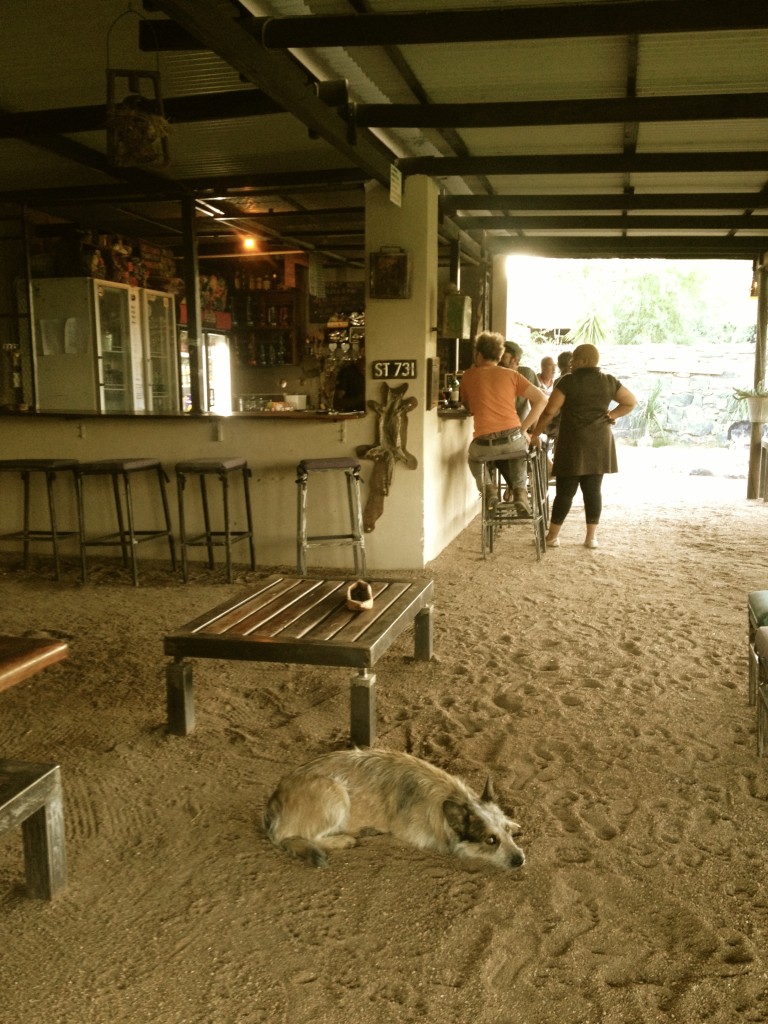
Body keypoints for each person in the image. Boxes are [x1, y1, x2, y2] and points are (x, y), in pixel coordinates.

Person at [532, 343, 637, 549]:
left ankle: (552, 537)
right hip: (599, 442)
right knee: (593, 490)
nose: (570, 363)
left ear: (583, 361)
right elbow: (630, 401)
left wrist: (535, 433)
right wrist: (611, 415)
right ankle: (591, 538)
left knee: (565, 491)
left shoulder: (567, 382)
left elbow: (549, 411)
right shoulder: (608, 381)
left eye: (574, 359)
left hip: (573, 441)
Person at [460, 331, 546, 517]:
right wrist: (524, 429)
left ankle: (489, 489)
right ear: (499, 356)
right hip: (513, 438)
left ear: (479, 354)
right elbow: (541, 400)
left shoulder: (468, 376)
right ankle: (520, 494)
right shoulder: (511, 375)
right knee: (518, 453)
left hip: (484, 445)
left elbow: (468, 407)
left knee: (473, 458)